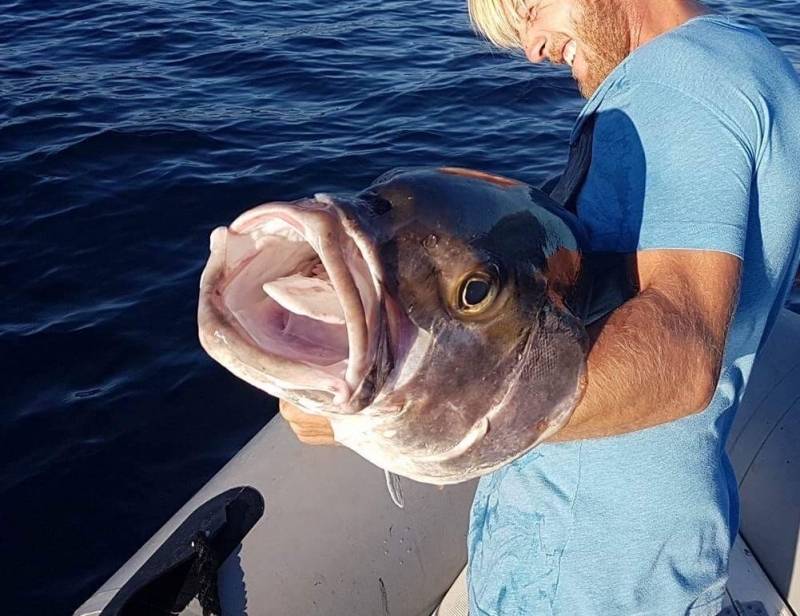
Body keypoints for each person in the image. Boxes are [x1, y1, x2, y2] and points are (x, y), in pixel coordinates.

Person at [280, 0, 800, 613]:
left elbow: (682, 349)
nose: (533, 48)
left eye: (530, 10)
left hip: (589, 567)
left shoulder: (676, 80)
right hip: (641, 546)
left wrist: (391, 410)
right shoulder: (743, 55)